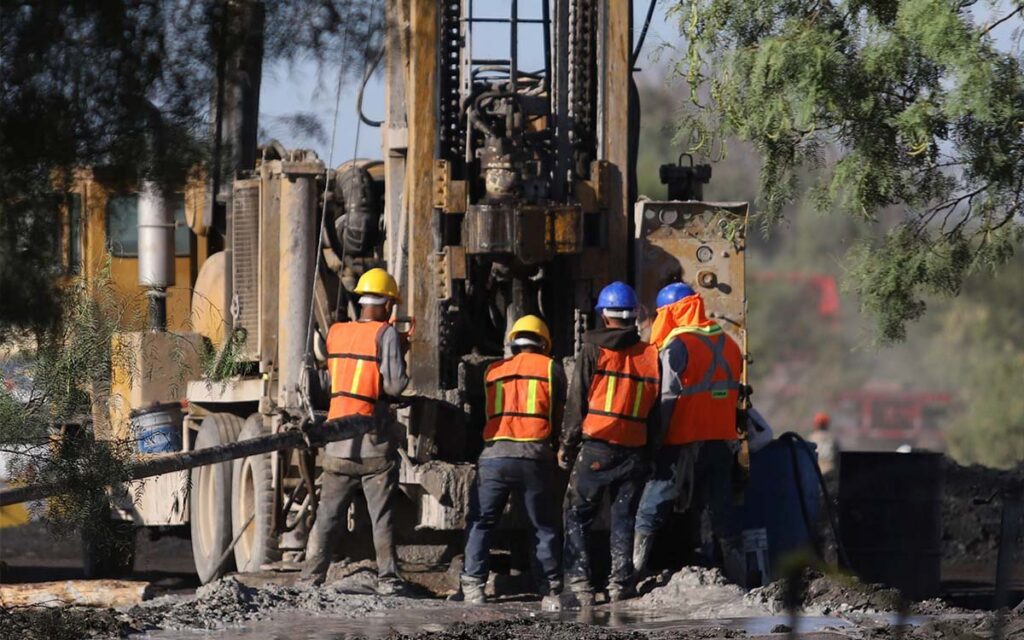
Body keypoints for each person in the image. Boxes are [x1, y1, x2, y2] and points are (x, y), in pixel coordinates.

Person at [300, 268, 409, 594]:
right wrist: (400, 354)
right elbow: (394, 384)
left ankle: (310, 578)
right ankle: (388, 580)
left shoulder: (337, 331)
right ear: (388, 304)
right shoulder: (385, 334)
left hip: (337, 442)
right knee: (382, 516)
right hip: (373, 445)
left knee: (327, 517)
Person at [558, 282, 661, 605]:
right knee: (623, 517)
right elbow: (657, 409)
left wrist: (567, 443)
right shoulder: (649, 354)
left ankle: (580, 585)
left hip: (598, 448)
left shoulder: (592, 350)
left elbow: (577, 402)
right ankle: (620, 584)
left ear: (604, 316)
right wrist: (652, 451)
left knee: (576, 513)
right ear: (633, 316)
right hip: (634, 451)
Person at [633, 282, 743, 574]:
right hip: (720, 438)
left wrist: (657, 438)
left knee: (652, 505)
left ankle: (632, 572)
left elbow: (668, 395)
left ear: (672, 312)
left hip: (683, 436)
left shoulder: (678, 346)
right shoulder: (729, 342)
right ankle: (737, 573)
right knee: (720, 508)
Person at [459, 315, 567, 605]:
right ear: (543, 343)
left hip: (494, 456)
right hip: (534, 456)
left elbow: (483, 416)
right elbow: (558, 416)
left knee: (481, 522)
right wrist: (557, 447)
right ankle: (550, 589)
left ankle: (473, 588)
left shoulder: (492, 371)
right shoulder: (550, 368)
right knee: (542, 525)